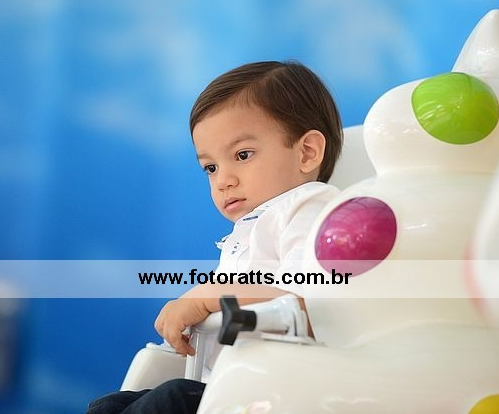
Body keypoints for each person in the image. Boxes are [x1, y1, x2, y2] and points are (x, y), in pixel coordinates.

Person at [86, 60, 343, 414]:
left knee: (172, 399)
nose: (223, 180)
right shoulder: (250, 228)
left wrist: (207, 296)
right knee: (109, 406)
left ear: (307, 152)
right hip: (230, 385)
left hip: (278, 392)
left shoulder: (312, 207)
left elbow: (311, 301)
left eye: (242, 155)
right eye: (211, 167)